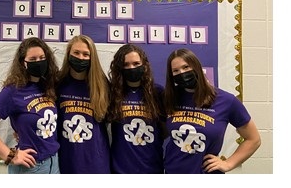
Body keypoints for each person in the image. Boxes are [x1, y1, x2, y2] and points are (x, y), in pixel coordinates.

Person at [163, 49, 261, 174]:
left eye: (186, 67)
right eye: (175, 71)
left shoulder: (226, 100)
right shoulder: (170, 98)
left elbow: (253, 139)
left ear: (197, 67)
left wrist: (228, 163)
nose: (182, 73)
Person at [0, 37, 60, 174]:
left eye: (42, 58)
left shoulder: (48, 86)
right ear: (23, 63)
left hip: (53, 163)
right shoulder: (13, 91)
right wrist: (10, 156)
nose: (38, 62)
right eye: (32, 59)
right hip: (31, 167)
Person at [55, 35, 110, 174]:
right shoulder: (57, 83)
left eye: (86, 54)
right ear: (68, 54)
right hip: (65, 159)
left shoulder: (103, 85)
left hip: (96, 162)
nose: (81, 58)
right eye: (76, 53)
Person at [107, 44, 164, 173]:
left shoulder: (158, 92)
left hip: (152, 169)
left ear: (144, 65)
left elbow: (166, 130)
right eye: (126, 64)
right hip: (120, 170)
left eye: (136, 63)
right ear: (119, 68)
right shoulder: (112, 93)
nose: (131, 68)